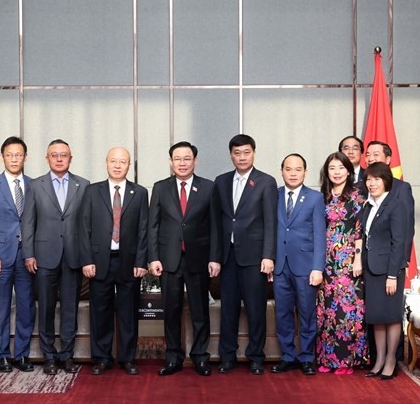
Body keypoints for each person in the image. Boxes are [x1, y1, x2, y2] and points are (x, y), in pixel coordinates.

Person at [149, 141, 221, 377]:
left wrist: (214, 258)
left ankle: (200, 357)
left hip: (198, 258)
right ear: (171, 162)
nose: (182, 163)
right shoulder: (160, 188)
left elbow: (215, 226)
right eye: (177, 159)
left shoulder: (209, 188)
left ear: (195, 161)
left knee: (200, 310)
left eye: (187, 158)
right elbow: (153, 226)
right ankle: (173, 358)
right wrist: (153, 258)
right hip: (169, 259)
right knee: (171, 311)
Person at [21, 139, 89, 375]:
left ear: (71, 158)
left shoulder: (83, 185)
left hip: (73, 256)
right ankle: (49, 356)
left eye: (64, 155)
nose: (59, 158)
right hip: (43, 256)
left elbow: (86, 224)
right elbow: (27, 223)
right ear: (47, 158)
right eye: (54, 155)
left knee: (70, 308)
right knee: (47, 308)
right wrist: (28, 254)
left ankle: (67, 356)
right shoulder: (36, 186)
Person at [211, 134, 277, 375]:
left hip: (255, 258)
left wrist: (268, 255)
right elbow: (216, 223)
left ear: (254, 153)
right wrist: (215, 257)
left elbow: (270, 222)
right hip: (227, 258)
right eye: (237, 153)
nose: (241, 157)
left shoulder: (266, 182)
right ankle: (227, 356)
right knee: (228, 309)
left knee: (256, 310)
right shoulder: (221, 181)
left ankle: (256, 356)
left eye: (246, 152)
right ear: (231, 155)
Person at [79, 147, 149, 375]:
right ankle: (101, 357)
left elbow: (143, 229)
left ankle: (128, 358)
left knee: (128, 311)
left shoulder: (139, 193)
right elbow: (84, 228)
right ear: (106, 163)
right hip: (99, 261)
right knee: (100, 310)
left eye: (123, 162)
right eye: (113, 161)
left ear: (130, 165)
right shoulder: (92, 191)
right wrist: (87, 260)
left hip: (128, 261)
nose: (118, 165)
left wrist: (141, 261)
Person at [0, 136, 35, 373]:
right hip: (1, 257)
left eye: (18, 154)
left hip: (28, 257)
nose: (14, 159)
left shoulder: (35, 184)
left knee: (25, 308)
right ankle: (2, 355)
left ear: (25, 157)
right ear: (2, 157)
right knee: (1, 309)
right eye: (9, 155)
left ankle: (21, 355)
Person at [272, 154, 326, 376]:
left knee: (306, 313)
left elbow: (319, 235)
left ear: (305, 172)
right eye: (288, 169)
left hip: (306, 266)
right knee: (282, 314)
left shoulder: (315, 197)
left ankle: (307, 357)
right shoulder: (272, 196)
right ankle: (287, 356)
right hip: (279, 266)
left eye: (298, 169)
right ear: (281, 171)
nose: (293, 173)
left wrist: (318, 267)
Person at [315, 152, 368, 374]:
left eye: (340, 168)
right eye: (332, 168)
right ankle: (328, 359)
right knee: (326, 310)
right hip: (325, 259)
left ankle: (347, 361)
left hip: (347, 259)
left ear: (348, 170)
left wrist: (357, 259)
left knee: (345, 311)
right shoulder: (323, 196)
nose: (336, 172)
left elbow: (359, 230)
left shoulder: (356, 195)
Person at [361, 162, 408, 380]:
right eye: (369, 179)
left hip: (389, 271)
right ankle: (378, 360)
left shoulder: (395, 205)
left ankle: (391, 360)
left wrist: (392, 275)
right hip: (371, 269)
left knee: (390, 317)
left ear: (386, 180)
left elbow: (399, 242)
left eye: (376, 179)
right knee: (376, 317)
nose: (372, 183)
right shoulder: (368, 205)